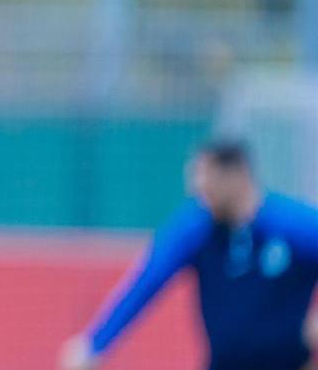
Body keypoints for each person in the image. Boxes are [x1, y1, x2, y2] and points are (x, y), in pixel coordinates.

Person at [60, 139, 318, 370]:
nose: (198, 189)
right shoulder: (197, 229)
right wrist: (95, 345)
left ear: (237, 175)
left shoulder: (291, 223)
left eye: (207, 178)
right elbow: (146, 282)